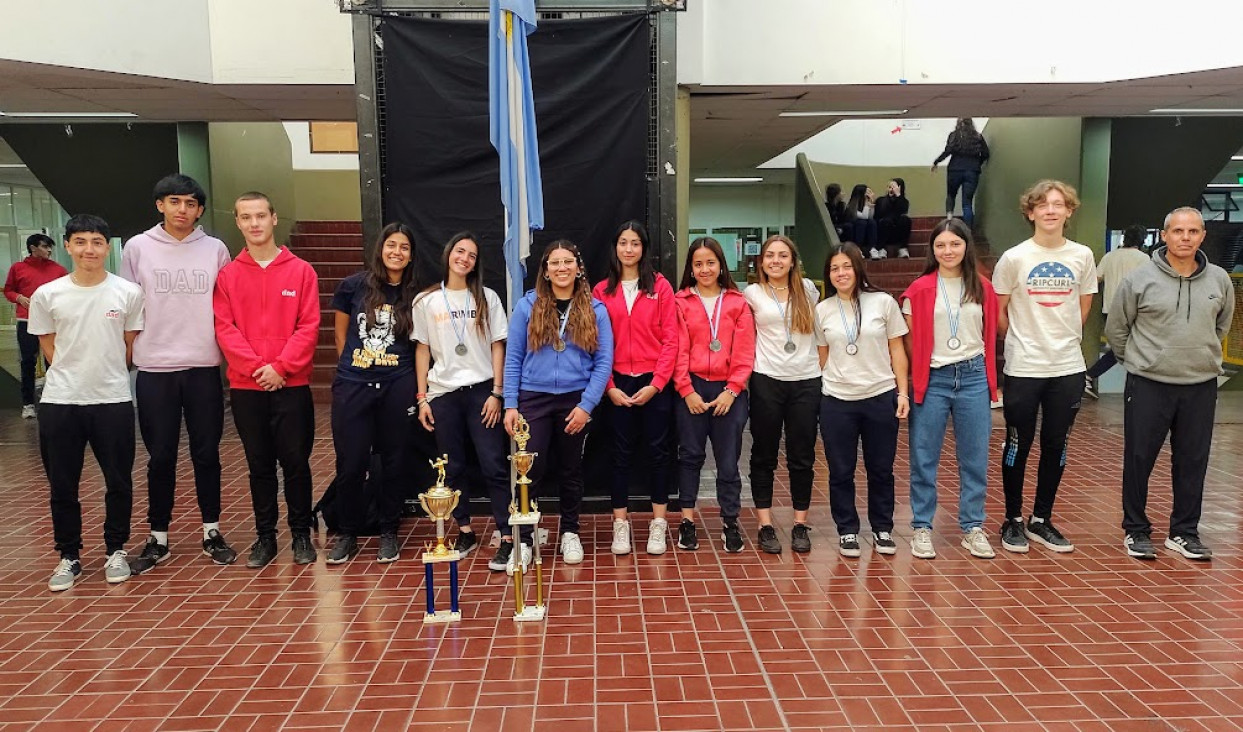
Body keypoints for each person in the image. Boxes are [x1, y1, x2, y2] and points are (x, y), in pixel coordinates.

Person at [120, 174, 237, 574]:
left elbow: (226, 304)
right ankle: (159, 537)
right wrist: (130, 354)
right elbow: (128, 307)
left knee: (207, 454)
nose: (182, 210)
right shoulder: (137, 248)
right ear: (160, 205)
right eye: (174, 202)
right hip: (155, 368)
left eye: (190, 203)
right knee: (160, 456)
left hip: (204, 366)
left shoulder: (216, 249)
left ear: (200, 209)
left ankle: (211, 530)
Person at [1106, 207, 1235, 561]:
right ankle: (1135, 530)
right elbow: (1117, 328)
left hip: (1200, 385)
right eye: (1178, 231)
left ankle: (1184, 532)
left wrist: (1200, 357)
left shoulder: (1220, 280)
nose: (1185, 238)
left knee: (1193, 460)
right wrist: (1138, 361)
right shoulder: (1139, 279)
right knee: (1139, 458)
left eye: (1193, 231)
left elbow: (1221, 325)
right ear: (1164, 236)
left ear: (1202, 236)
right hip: (1149, 383)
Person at [28, 215, 143, 591]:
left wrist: (105, 374)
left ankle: (116, 550)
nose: (88, 249)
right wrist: (73, 374)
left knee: (119, 480)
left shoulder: (127, 292)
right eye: (80, 242)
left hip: (112, 399)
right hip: (61, 401)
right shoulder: (48, 295)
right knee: (63, 484)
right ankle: (69, 556)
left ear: (107, 247)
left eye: (96, 242)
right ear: (68, 246)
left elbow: (128, 347)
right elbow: (49, 348)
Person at [213, 192, 320, 569]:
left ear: (274, 218)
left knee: (296, 462)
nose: (254, 223)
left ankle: (302, 534)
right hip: (247, 387)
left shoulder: (301, 271)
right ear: (238, 222)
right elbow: (225, 329)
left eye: (261, 215)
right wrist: (259, 368)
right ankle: (265, 537)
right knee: (259, 464)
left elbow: (308, 326)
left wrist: (281, 368)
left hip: (291, 386)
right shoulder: (228, 275)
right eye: (246, 217)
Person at [992, 180, 1096, 554]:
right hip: (1024, 366)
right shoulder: (1014, 258)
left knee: (1057, 444)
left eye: (1059, 204)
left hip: (1067, 366)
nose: (1051, 210)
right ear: (1030, 212)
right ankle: (1013, 519)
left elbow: (1082, 308)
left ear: (1069, 211)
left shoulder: (1082, 256)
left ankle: (1042, 519)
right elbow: (999, 311)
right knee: (1018, 443)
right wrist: (1023, 338)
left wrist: (1062, 337)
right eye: (1043, 204)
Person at [503, 240, 613, 566]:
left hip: (575, 400)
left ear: (579, 268)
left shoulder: (596, 310)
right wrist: (511, 403)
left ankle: (570, 532)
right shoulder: (527, 306)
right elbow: (513, 358)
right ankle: (524, 539)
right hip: (532, 398)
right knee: (529, 472)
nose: (562, 268)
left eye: (568, 262)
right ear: (546, 271)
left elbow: (604, 362)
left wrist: (586, 406)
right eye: (555, 263)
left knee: (571, 469)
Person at [413, 232, 513, 572]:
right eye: (460, 251)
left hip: (481, 392)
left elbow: (499, 345)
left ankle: (506, 534)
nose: (465, 258)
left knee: (493, 464)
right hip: (442, 395)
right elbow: (423, 349)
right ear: (448, 254)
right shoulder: (426, 301)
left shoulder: (486, 297)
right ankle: (466, 530)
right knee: (452, 467)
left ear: (476, 262)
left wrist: (497, 392)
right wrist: (422, 397)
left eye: (471, 254)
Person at [901, 219, 1000, 560]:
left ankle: (973, 526)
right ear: (933, 250)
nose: (948, 251)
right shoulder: (919, 289)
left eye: (954, 244)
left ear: (966, 247)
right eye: (941, 245)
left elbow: (991, 333)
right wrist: (922, 372)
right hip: (934, 378)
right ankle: (922, 527)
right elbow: (911, 339)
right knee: (924, 456)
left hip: (972, 377)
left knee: (974, 457)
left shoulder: (983, 288)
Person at [324, 222, 419, 565]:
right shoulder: (353, 286)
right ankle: (347, 533)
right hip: (354, 385)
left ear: (411, 256)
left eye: (404, 247)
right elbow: (341, 335)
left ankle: (389, 531)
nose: (397, 252)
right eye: (391, 245)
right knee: (351, 464)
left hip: (398, 384)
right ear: (380, 248)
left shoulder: (415, 294)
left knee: (393, 463)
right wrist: (354, 371)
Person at [816, 243, 908, 558]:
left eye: (846, 266)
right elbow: (822, 354)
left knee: (880, 468)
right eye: (834, 268)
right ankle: (847, 530)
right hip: (837, 400)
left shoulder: (883, 303)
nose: (841, 273)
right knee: (841, 470)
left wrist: (902, 391)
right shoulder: (823, 309)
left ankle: (882, 528)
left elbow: (897, 349)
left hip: (880, 396)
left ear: (858, 268)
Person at [592, 221, 679, 555]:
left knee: (659, 453)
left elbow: (671, 339)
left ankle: (659, 524)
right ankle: (620, 524)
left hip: (654, 382)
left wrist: (657, 384)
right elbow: (596, 343)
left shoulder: (660, 286)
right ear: (615, 247)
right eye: (623, 243)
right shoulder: (602, 290)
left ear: (644, 248)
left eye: (635, 243)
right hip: (615, 383)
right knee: (620, 455)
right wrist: (609, 386)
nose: (629, 249)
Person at [673, 237, 755, 553]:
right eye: (698, 264)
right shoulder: (681, 302)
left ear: (721, 265)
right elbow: (677, 349)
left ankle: (730, 522)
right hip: (691, 389)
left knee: (728, 461)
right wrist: (686, 390)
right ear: (691, 269)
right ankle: (687, 521)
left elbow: (745, 351)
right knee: (690, 456)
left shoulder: (737, 302)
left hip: (728, 393)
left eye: (710, 262)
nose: (705, 269)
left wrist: (732, 390)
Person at [744, 235, 821, 554]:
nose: (776, 260)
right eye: (770, 255)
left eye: (783, 255)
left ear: (793, 260)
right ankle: (764, 524)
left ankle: (800, 523)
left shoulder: (809, 290)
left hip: (806, 380)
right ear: (761, 261)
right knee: (764, 453)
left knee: (802, 456)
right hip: (766, 380)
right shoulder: (751, 294)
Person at [4, 233, 67, 418]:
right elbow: (8, 290)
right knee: (27, 363)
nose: (48, 250)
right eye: (45, 246)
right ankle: (28, 404)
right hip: (26, 322)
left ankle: (55, 400)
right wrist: (18, 297)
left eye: (50, 247)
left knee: (54, 362)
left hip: (52, 323)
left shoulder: (59, 270)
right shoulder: (18, 268)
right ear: (33, 248)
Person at [1084, 224, 1150, 398]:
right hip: (1135, 311)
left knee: (1121, 349)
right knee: (1131, 349)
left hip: (1110, 310)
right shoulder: (1144, 259)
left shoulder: (1110, 257)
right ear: (1142, 241)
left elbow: (1095, 280)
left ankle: (1090, 376)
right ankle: (1090, 375)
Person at [931, 118, 990, 227]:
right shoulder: (978, 136)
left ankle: (949, 223)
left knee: (951, 196)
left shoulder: (954, 135)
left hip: (955, 169)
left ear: (959, 123)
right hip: (972, 171)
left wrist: (936, 161)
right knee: (967, 203)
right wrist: (976, 163)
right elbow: (986, 154)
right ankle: (969, 231)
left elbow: (949, 150)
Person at [875, 178, 912, 259]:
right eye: (889, 186)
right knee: (886, 220)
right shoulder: (880, 200)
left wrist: (898, 195)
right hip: (884, 231)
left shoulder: (903, 201)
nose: (891, 189)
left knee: (905, 219)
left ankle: (902, 248)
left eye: (894, 187)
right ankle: (881, 249)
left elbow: (903, 210)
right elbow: (879, 215)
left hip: (897, 232)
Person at [843, 185, 878, 255]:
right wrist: (866, 205)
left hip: (866, 229)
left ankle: (873, 248)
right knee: (862, 222)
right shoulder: (852, 206)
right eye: (868, 192)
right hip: (857, 228)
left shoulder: (869, 203)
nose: (870, 194)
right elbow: (864, 217)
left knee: (872, 222)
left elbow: (871, 217)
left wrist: (870, 203)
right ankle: (858, 248)